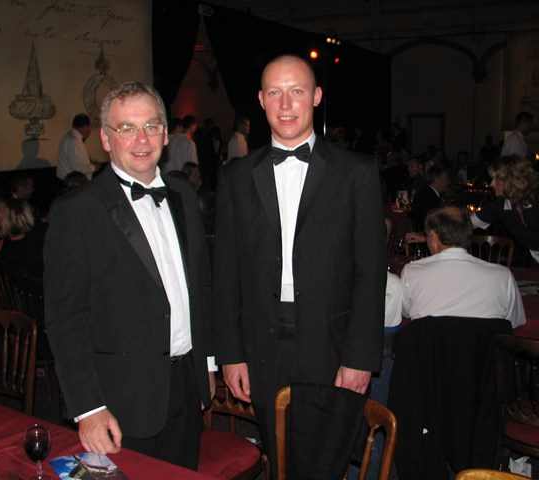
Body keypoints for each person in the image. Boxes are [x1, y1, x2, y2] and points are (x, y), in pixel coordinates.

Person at [213, 54, 386, 474]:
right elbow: (226, 272)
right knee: (280, 454)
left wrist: (361, 356)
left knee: (327, 460)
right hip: (262, 342)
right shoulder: (235, 177)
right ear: (260, 99)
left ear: (317, 97)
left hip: (333, 341)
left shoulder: (357, 173)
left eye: (297, 91)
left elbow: (370, 271)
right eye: (275, 92)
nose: (286, 104)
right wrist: (230, 354)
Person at [44, 81, 214, 470]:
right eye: (127, 128)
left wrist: (206, 364)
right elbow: (66, 319)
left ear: (166, 133)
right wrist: (88, 408)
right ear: (105, 137)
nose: (142, 139)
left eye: (151, 126)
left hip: (186, 387)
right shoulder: (77, 211)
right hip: (120, 402)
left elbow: (199, 286)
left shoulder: (183, 195)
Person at [401, 205, 525, 328]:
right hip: (483, 347)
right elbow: (514, 323)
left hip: (429, 347)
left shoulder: (412, 272)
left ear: (433, 238)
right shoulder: (502, 276)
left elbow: (405, 313)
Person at [471, 154, 539, 262]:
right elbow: (467, 223)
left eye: (496, 179)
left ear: (512, 180)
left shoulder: (536, 199)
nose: (491, 184)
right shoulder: (500, 205)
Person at [56, 113, 97, 181]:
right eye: (90, 126)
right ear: (84, 127)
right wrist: (94, 167)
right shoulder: (74, 142)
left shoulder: (70, 138)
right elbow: (77, 169)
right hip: (72, 184)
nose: (91, 130)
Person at [409, 165, 450, 230]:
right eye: (446, 179)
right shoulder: (427, 196)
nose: (448, 182)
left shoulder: (429, 193)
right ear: (436, 179)